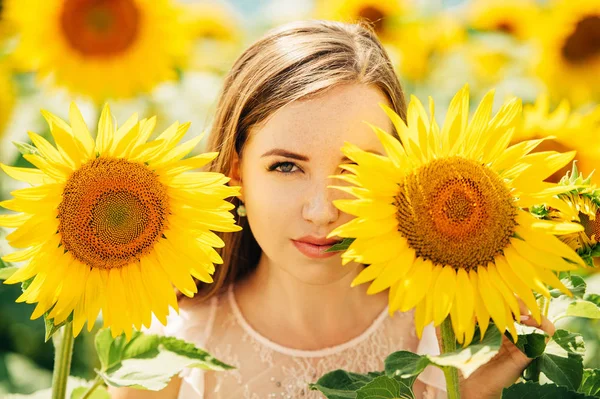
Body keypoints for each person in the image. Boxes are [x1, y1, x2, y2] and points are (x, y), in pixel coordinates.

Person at [109, 20, 554, 399]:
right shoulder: (164, 363)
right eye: (286, 166)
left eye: (357, 166)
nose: (322, 210)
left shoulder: (455, 342)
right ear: (235, 174)